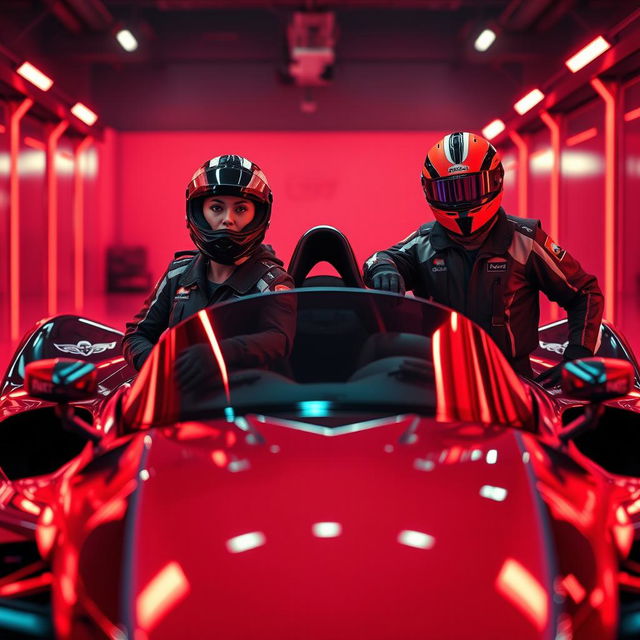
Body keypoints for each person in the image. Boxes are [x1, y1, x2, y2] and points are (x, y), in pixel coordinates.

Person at [363, 131, 603, 379]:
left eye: (470, 188)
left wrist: (578, 358)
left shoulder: (525, 240)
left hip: (512, 381)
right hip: (439, 379)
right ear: (428, 191)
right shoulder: (423, 243)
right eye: (449, 192)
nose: (460, 201)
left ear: (496, 180)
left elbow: (585, 293)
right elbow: (378, 259)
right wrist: (384, 269)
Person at [123, 154, 295, 373]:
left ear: (259, 215)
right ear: (198, 213)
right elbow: (137, 335)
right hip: (182, 395)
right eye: (216, 208)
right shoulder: (178, 274)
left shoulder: (272, 282)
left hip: (246, 398)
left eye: (241, 209)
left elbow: (279, 340)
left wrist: (215, 354)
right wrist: (160, 369)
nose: (228, 219)